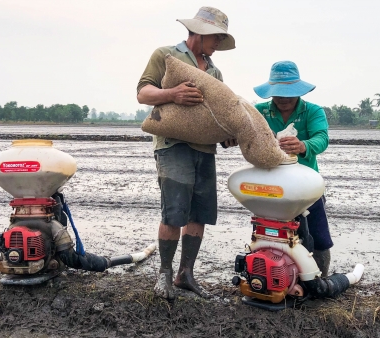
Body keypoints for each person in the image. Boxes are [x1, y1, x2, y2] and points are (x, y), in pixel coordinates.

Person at [136, 6, 237, 299]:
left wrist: (226, 136)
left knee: (199, 214)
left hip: (204, 149)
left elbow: (218, 114)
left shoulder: (215, 71)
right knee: (174, 213)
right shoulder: (166, 55)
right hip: (173, 145)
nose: (218, 43)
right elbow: (143, 93)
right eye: (216, 36)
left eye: (221, 38)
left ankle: (185, 274)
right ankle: (164, 275)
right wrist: (173, 94)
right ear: (199, 32)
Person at [253, 61, 333, 277]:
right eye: (279, 94)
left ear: (298, 91)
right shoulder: (259, 112)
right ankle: (271, 275)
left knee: (318, 237)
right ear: (271, 93)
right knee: (267, 232)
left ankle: (320, 279)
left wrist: (303, 145)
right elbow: (244, 132)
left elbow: (322, 138)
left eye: (289, 94)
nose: (284, 99)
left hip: (306, 186)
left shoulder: (312, 111)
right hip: (270, 185)